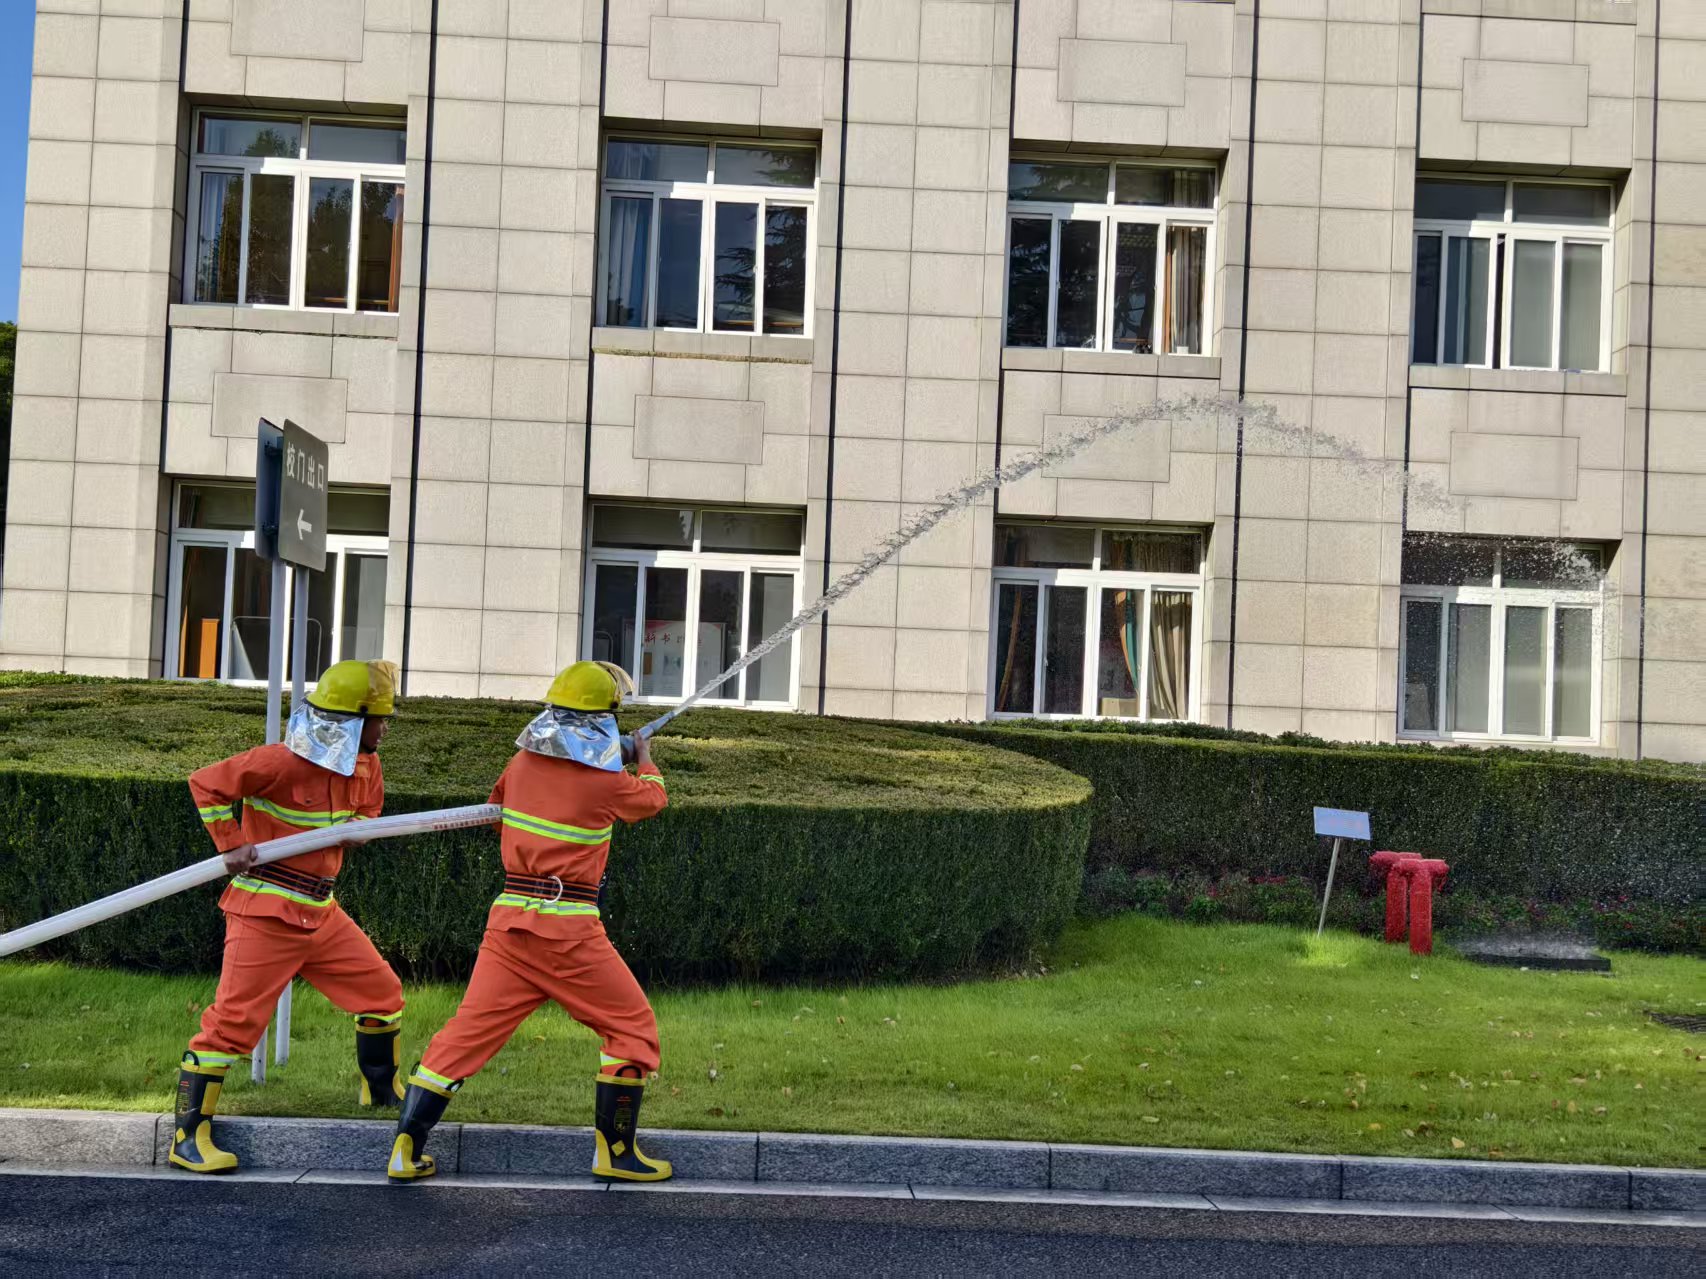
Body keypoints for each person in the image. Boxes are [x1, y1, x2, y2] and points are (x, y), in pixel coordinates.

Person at [387, 661, 671, 1183]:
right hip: (569, 933)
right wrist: (643, 756)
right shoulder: (606, 782)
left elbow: (500, 806)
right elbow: (652, 799)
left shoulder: (519, 765)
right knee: (632, 1029)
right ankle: (616, 1154)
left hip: (510, 925)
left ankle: (405, 1148)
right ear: (602, 720)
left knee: (464, 1036)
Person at [170, 659, 406, 1174]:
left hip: (321, 911)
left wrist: (359, 828)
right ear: (352, 719)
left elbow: (368, 813)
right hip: (266, 911)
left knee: (383, 994)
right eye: (380, 719)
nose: (386, 729)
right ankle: (187, 1138)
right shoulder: (280, 761)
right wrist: (230, 843)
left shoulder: (367, 763)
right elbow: (206, 784)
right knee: (229, 1027)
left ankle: (381, 1093)